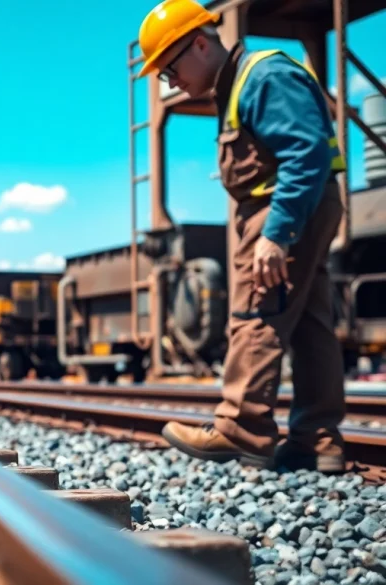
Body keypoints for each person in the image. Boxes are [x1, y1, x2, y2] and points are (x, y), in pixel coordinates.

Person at [136, 0, 348, 473]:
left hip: (286, 208)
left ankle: (241, 428)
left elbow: (306, 152)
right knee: (311, 322)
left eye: (169, 69)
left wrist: (278, 232)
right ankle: (318, 440)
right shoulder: (239, 85)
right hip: (297, 206)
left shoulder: (263, 76)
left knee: (257, 311)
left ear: (199, 43)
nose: (170, 84)